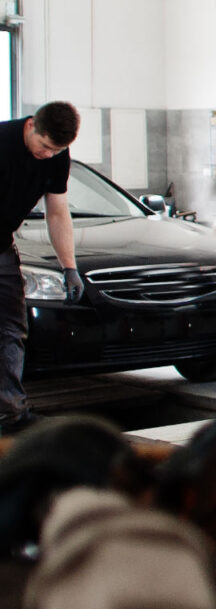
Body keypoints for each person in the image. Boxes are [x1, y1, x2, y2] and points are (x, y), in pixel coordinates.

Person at [0, 101, 81, 434]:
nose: (48, 155)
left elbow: (58, 212)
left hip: (1, 247)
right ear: (31, 125)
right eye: (45, 146)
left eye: (56, 150)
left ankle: (9, 414)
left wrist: (69, 267)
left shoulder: (57, 156)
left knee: (10, 329)